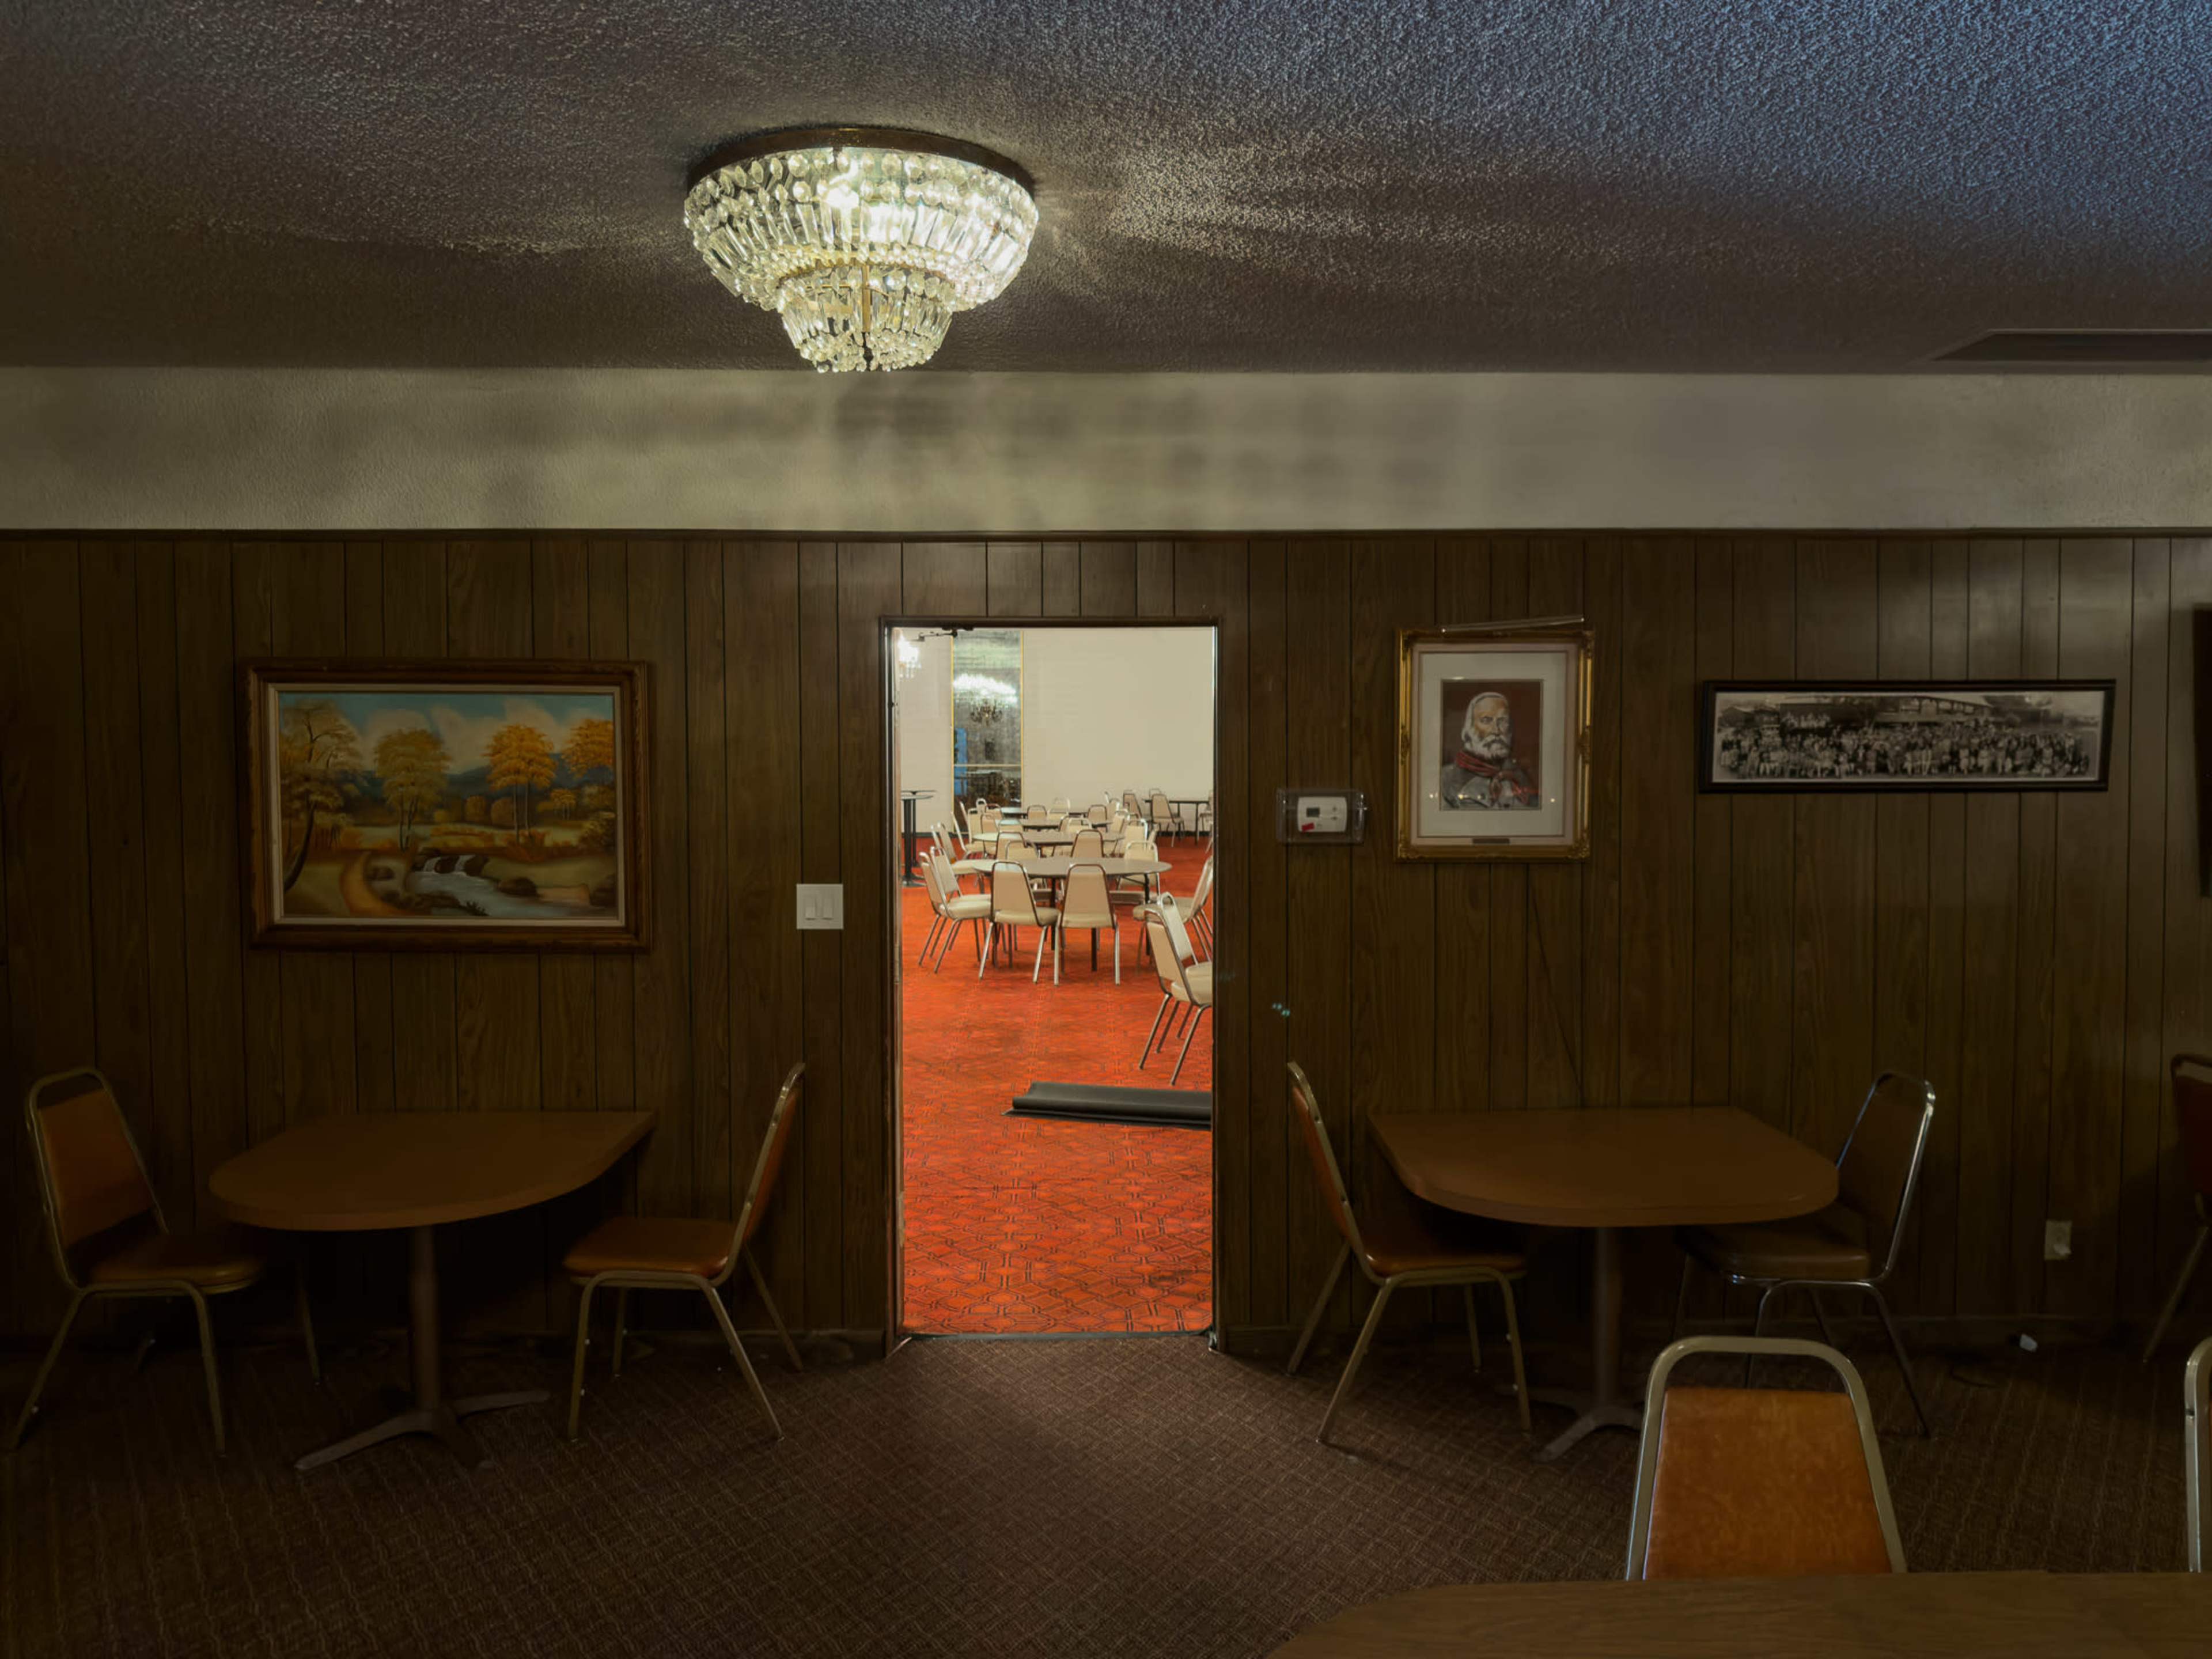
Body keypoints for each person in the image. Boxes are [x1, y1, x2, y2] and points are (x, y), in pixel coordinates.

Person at [1440, 690, 1536, 809]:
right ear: (1468, 730)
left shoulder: (1521, 778)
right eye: (1486, 720)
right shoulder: (1445, 780)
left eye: (1503, 721)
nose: (1496, 731)